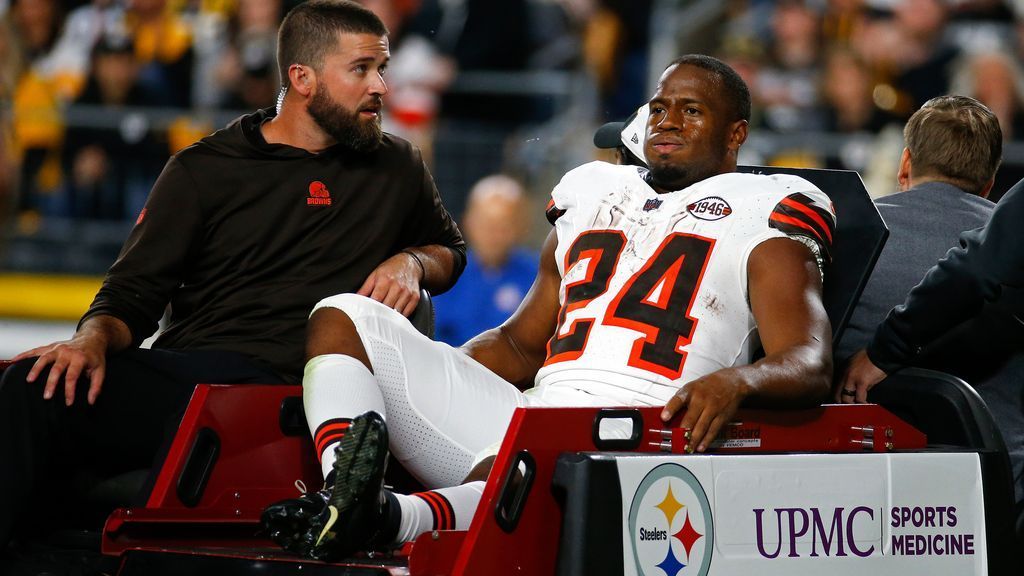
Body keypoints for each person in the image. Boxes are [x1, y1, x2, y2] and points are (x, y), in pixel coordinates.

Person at [262, 54, 836, 561]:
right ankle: (345, 490)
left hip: (637, 429)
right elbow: (518, 345)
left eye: (691, 111)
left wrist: (739, 381)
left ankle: (390, 518)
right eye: (659, 107)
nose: (668, 122)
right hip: (535, 406)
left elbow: (808, 358)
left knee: (520, 461)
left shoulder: (768, 209)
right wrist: (438, 376)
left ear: (736, 133)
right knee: (345, 315)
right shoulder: (593, 191)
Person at [0, 0, 465, 551]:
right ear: (303, 78)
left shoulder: (399, 165)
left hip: (296, 391)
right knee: (34, 383)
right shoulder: (204, 169)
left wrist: (412, 262)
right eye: (362, 69)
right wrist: (90, 340)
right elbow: (132, 293)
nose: (382, 86)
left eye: (382, 68)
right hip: (199, 374)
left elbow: (450, 250)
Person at [837, 98, 1024, 526]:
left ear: (905, 164)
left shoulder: (840, 236)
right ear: (990, 182)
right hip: (993, 510)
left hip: (850, 512)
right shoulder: (1013, 249)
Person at [835, 95, 1002, 365]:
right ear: (988, 184)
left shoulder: (843, 226)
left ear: (904, 166)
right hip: (982, 406)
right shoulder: (1008, 240)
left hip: (856, 402)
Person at [433, 175, 537, 347]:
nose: (493, 235)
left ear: (521, 226)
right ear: (467, 222)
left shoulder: (539, 275)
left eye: (503, 226)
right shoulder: (445, 273)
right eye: (486, 224)